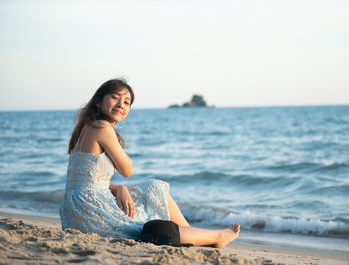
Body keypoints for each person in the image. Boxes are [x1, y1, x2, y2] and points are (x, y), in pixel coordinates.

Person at [60, 79, 240, 247]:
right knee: (152, 203)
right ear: (98, 101)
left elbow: (86, 180)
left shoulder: (86, 128)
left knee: (151, 190)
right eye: (115, 97)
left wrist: (117, 188)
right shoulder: (103, 128)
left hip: (74, 211)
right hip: (90, 209)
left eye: (126, 102)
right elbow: (127, 170)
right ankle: (214, 237)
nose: (120, 104)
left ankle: (195, 233)